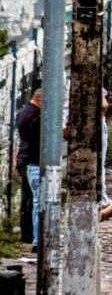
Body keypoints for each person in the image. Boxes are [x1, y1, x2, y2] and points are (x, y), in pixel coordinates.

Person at [16, 89, 42, 251]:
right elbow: (39, 138)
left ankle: (27, 233)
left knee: (28, 199)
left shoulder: (23, 112)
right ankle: (32, 236)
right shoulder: (35, 116)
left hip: (24, 157)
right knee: (35, 201)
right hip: (33, 160)